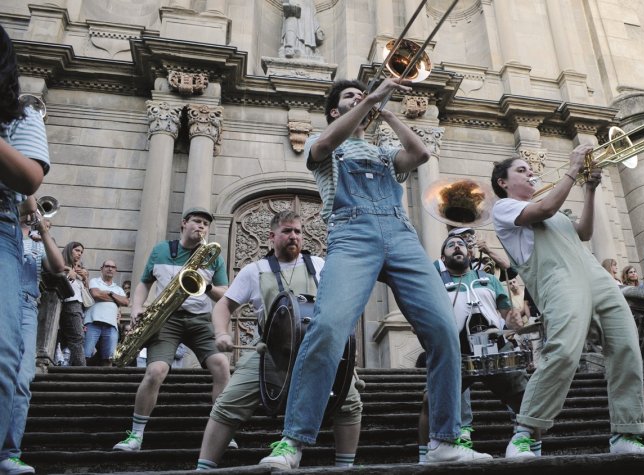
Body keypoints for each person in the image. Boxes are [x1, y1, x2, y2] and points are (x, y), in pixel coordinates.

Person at [258, 78, 490, 470]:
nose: (359, 100)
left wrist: (387, 111)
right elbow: (325, 146)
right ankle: (292, 441)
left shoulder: (382, 151)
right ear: (335, 111)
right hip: (352, 233)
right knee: (328, 327)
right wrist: (365, 105)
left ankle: (444, 439)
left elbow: (418, 153)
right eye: (350, 97)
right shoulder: (326, 139)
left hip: (400, 234)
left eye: (361, 95)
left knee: (444, 330)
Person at [491, 153, 644, 458]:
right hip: (557, 279)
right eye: (521, 170)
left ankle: (626, 432)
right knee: (564, 349)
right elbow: (544, 207)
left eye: (531, 170)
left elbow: (584, 233)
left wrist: (590, 189)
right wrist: (572, 170)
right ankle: (524, 432)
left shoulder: (555, 209)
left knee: (627, 346)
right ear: (503, 182)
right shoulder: (504, 207)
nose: (530, 174)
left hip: (595, 276)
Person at [196, 210, 363, 470]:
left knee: (349, 403)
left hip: (319, 350)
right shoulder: (255, 270)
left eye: (297, 231)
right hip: (270, 352)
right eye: (287, 231)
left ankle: (345, 468)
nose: (293, 236)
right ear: (272, 236)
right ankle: (203, 468)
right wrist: (221, 333)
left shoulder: (320, 265)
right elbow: (224, 305)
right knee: (227, 403)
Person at [113, 207, 230, 452]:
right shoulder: (161, 250)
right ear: (183, 223)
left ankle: (224, 431)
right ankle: (135, 435)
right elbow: (144, 283)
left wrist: (206, 286)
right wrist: (136, 308)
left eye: (206, 224)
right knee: (155, 371)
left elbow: (224, 295)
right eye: (197, 221)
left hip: (200, 319)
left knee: (221, 366)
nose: (201, 227)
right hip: (166, 318)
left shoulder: (212, 257)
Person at [418, 235, 529, 463]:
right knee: (432, 399)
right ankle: (426, 454)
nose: (457, 246)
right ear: (442, 257)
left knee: (524, 395)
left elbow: (506, 315)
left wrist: (513, 320)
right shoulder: (435, 281)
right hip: (456, 349)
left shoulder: (489, 279)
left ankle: (524, 441)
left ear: (470, 253)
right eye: (450, 244)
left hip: (494, 346)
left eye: (461, 244)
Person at [1, 198, 62, 474]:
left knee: (23, 379)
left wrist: (44, 231)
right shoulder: (7, 229)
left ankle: (9, 452)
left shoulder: (38, 241)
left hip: (27, 305)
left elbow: (58, 268)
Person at [84, 260, 129, 366]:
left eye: (113, 267)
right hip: (93, 322)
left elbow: (126, 302)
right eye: (107, 266)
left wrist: (110, 294)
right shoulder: (95, 281)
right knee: (85, 355)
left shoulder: (118, 288)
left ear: (115, 270)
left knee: (109, 358)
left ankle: (105, 381)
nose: (110, 269)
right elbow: (96, 294)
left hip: (112, 325)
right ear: (101, 269)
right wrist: (117, 299)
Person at [60, 242, 88, 366]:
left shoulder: (76, 270)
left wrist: (84, 279)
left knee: (72, 339)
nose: (79, 254)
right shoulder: (63, 266)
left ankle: (73, 367)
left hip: (78, 306)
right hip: (70, 304)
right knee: (77, 338)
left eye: (81, 252)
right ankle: (81, 369)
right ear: (69, 250)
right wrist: (72, 273)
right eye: (77, 250)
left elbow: (85, 292)